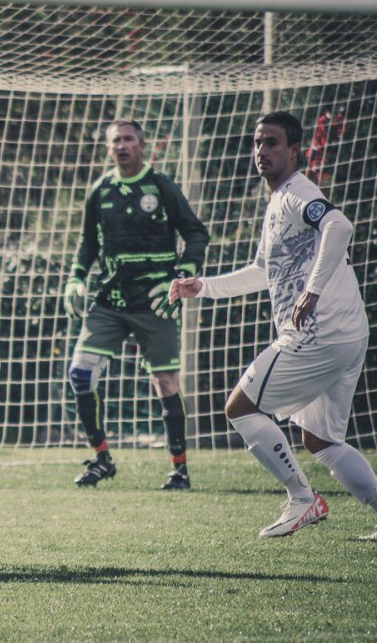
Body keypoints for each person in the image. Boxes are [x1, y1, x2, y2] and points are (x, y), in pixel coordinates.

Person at [172, 111, 376, 539]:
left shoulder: (297, 193)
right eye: (257, 142)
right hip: (348, 333)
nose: (261, 151)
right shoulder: (277, 200)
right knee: (320, 440)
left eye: (272, 143)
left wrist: (313, 291)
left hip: (318, 333)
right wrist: (203, 287)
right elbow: (263, 271)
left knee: (240, 408)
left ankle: (303, 499)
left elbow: (339, 225)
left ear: (294, 150)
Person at [64, 119, 209, 490]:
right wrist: (76, 278)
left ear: (143, 145)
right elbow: (87, 243)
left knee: (165, 381)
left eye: (128, 139)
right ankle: (102, 460)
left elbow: (195, 233)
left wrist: (184, 274)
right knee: (80, 374)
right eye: (116, 141)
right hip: (110, 300)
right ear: (108, 148)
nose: (122, 145)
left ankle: (179, 469)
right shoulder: (100, 190)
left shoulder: (160, 186)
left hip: (155, 301)